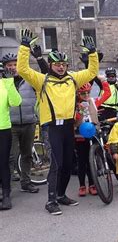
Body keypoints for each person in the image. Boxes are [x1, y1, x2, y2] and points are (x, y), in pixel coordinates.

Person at [17, 29, 99, 215]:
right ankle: (51, 200)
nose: (61, 67)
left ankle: (61, 195)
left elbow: (92, 71)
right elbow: (22, 69)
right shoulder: (42, 80)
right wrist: (24, 47)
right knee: (56, 163)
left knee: (68, 164)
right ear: (51, 65)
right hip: (50, 127)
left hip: (68, 126)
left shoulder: (73, 79)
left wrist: (92, 53)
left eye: (63, 64)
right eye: (57, 64)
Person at [3, 53, 39, 193]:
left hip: (29, 121)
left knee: (27, 154)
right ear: (5, 67)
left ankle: (26, 181)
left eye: (15, 65)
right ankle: (7, 186)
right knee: (9, 156)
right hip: (9, 124)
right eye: (9, 65)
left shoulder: (29, 79)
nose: (13, 68)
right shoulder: (3, 82)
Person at [74, 77, 111, 196]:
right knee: (82, 161)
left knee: (92, 160)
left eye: (87, 93)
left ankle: (92, 184)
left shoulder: (94, 102)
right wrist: (79, 111)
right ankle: (81, 185)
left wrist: (103, 80)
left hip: (93, 133)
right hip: (80, 135)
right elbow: (73, 120)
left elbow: (107, 94)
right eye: (83, 93)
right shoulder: (74, 105)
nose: (85, 95)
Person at [0, 71, 22, 210]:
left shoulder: (5, 84)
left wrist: (9, 82)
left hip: (3, 129)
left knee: (3, 163)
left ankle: (6, 195)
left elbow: (16, 102)